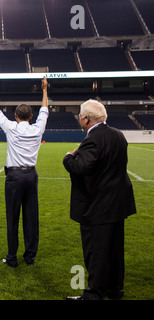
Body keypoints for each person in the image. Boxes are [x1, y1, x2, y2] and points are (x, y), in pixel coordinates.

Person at [63, 99, 136, 300]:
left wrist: (68, 157)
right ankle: (114, 290)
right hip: (117, 205)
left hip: (97, 206)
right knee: (114, 251)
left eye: (80, 115)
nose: (79, 118)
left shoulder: (93, 139)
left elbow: (80, 168)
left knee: (96, 253)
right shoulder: (118, 135)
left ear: (86, 119)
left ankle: (94, 294)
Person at [0, 74, 49, 267]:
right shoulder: (38, 129)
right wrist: (45, 90)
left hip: (14, 176)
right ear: (31, 116)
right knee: (32, 218)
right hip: (31, 175)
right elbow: (45, 110)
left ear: (16, 116)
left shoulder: (11, 127)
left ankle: (12, 258)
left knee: (12, 217)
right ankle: (30, 257)